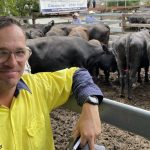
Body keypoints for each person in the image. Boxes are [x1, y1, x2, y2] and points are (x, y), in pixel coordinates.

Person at [0, 16, 103, 150]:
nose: (13, 62)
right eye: (2, 53)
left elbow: (78, 74)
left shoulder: (37, 86)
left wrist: (91, 104)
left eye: (20, 52)